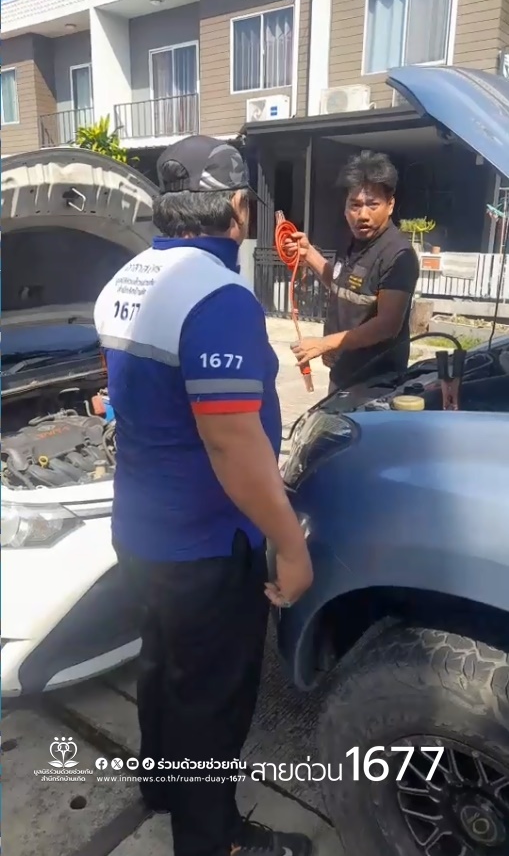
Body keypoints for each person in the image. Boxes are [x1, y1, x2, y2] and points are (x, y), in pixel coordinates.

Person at [93, 135, 313, 856]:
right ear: (238, 207)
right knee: (212, 697)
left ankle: (162, 787)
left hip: (141, 530)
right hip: (206, 544)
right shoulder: (217, 296)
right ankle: (212, 839)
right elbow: (232, 444)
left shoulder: (126, 279)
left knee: (162, 665)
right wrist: (290, 545)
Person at [286, 150, 419, 399]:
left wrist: (324, 343)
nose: (363, 215)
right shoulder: (352, 241)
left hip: (376, 384)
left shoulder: (398, 255)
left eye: (372, 204)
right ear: (345, 207)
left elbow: (387, 325)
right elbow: (341, 283)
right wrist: (308, 253)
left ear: (390, 205)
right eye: (355, 205)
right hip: (343, 374)